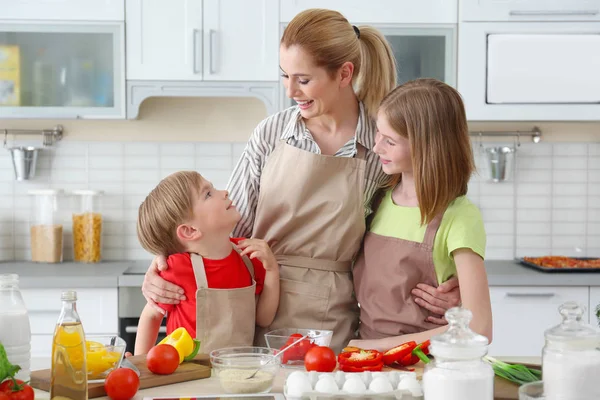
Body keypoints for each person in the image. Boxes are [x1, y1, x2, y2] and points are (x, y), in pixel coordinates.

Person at [139, 9, 461, 353]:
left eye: (303, 80)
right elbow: (225, 226)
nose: (290, 90)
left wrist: (452, 279)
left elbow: (411, 229)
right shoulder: (273, 133)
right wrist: (164, 265)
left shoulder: (380, 144)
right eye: (284, 76)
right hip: (256, 306)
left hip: (331, 315)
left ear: (344, 74)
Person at [348, 79, 493, 352]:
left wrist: (382, 348)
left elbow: (479, 328)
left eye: (390, 141)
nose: (377, 148)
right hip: (365, 363)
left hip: (425, 366)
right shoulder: (375, 199)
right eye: (378, 135)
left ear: (428, 147)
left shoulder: (459, 216)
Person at [133, 171, 280, 355]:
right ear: (189, 231)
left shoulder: (248, 257)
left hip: (238, 373)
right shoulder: (177, 269)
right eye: (208, 194)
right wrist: (140, 363)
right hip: (187, 375)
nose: (225, 192)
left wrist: (272, 269)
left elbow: (263, 318)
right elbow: (151, 315)